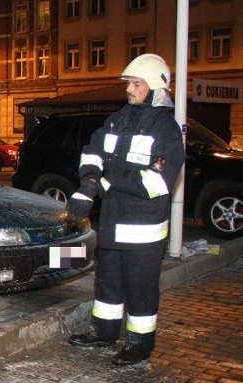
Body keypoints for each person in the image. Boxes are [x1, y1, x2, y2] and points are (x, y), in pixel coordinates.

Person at [65, 53, 185, 366]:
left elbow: (158, 181)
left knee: (140, 289)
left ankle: (139, 344)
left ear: (156, 88)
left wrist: (107, 183)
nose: (129, 89)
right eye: (128, 83)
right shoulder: (118, 119)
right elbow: (92, 153)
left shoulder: (166, 130)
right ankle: (103, 332)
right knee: (108, 280)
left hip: (143, 228)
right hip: (114, 221)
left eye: (136, 84)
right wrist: (89, 183)